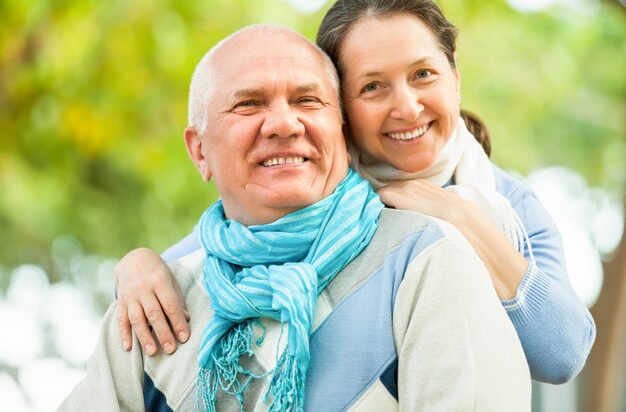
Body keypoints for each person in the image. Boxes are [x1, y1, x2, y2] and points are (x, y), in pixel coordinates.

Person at [114, 0, 595, 385]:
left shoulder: (507, 202)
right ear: (339, 108)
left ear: (455, 79)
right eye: (372, 87)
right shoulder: (316, 198)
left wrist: (462, 220)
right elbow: (201, 255)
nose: (406, 108)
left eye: (423, 74)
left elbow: (562, 355)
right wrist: (137, 266)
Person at [59, 25, 530, 411]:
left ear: (342, 131)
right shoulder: (155, 303)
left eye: (308, 101)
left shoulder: (427, 260)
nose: (284, 124)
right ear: (199, 151)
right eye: (249, 104)